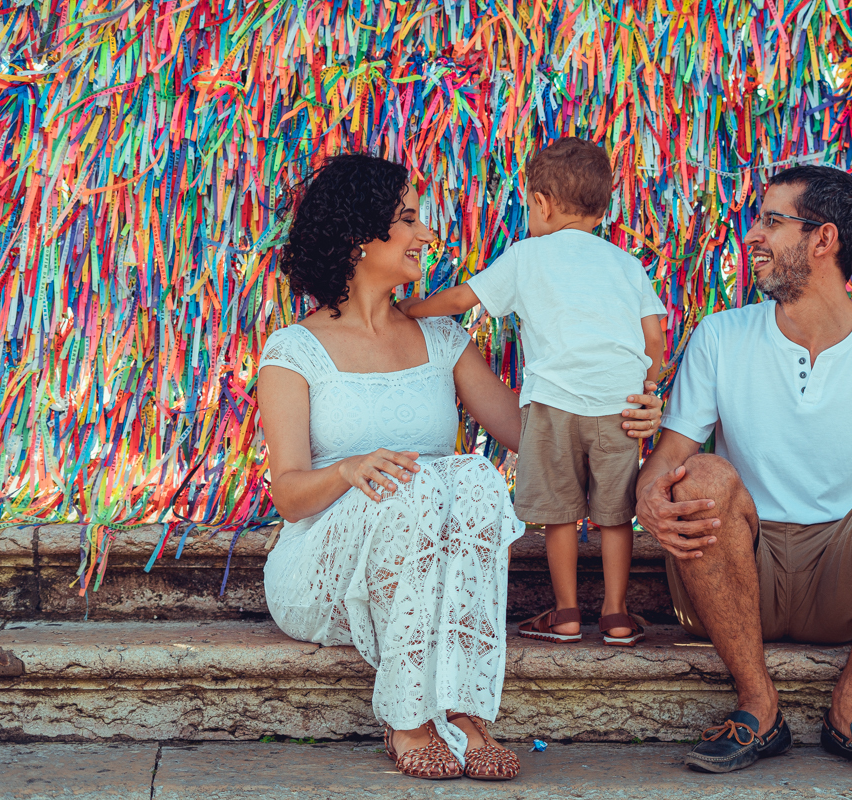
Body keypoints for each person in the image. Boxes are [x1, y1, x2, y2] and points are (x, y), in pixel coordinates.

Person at [257, 153, 664, 781]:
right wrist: (350, 470)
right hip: (323, 573)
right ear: (357, 238)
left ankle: (463, 705)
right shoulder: (295, 349)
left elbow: (533, 438)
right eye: (409, 220)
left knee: (471, 475)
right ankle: (409, 717)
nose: (427, 235)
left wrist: (617, 412)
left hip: (421, 559)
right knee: (416, 486)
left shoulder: (442, 338)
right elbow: (287, 496)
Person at [635, 165, 852, 779]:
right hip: (739, 567)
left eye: (772, 221)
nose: (753, 235)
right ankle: (758, 707)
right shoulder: (720, 335)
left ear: (824, 240)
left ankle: (850, 710)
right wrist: (647, 491)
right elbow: (672, 453)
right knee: (703, 475)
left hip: (845, 578)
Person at [398, 137, 666, 647]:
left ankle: (565, 614)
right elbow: (654, 339)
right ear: (601, 206)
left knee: (560, 512)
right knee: (614, 517)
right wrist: (646, 386)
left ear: (540, 203)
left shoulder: (527, 256)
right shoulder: (628, 265)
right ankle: (615, 615)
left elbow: (462, 299)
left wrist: (410, 310)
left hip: (552, 406)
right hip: (620, 409)